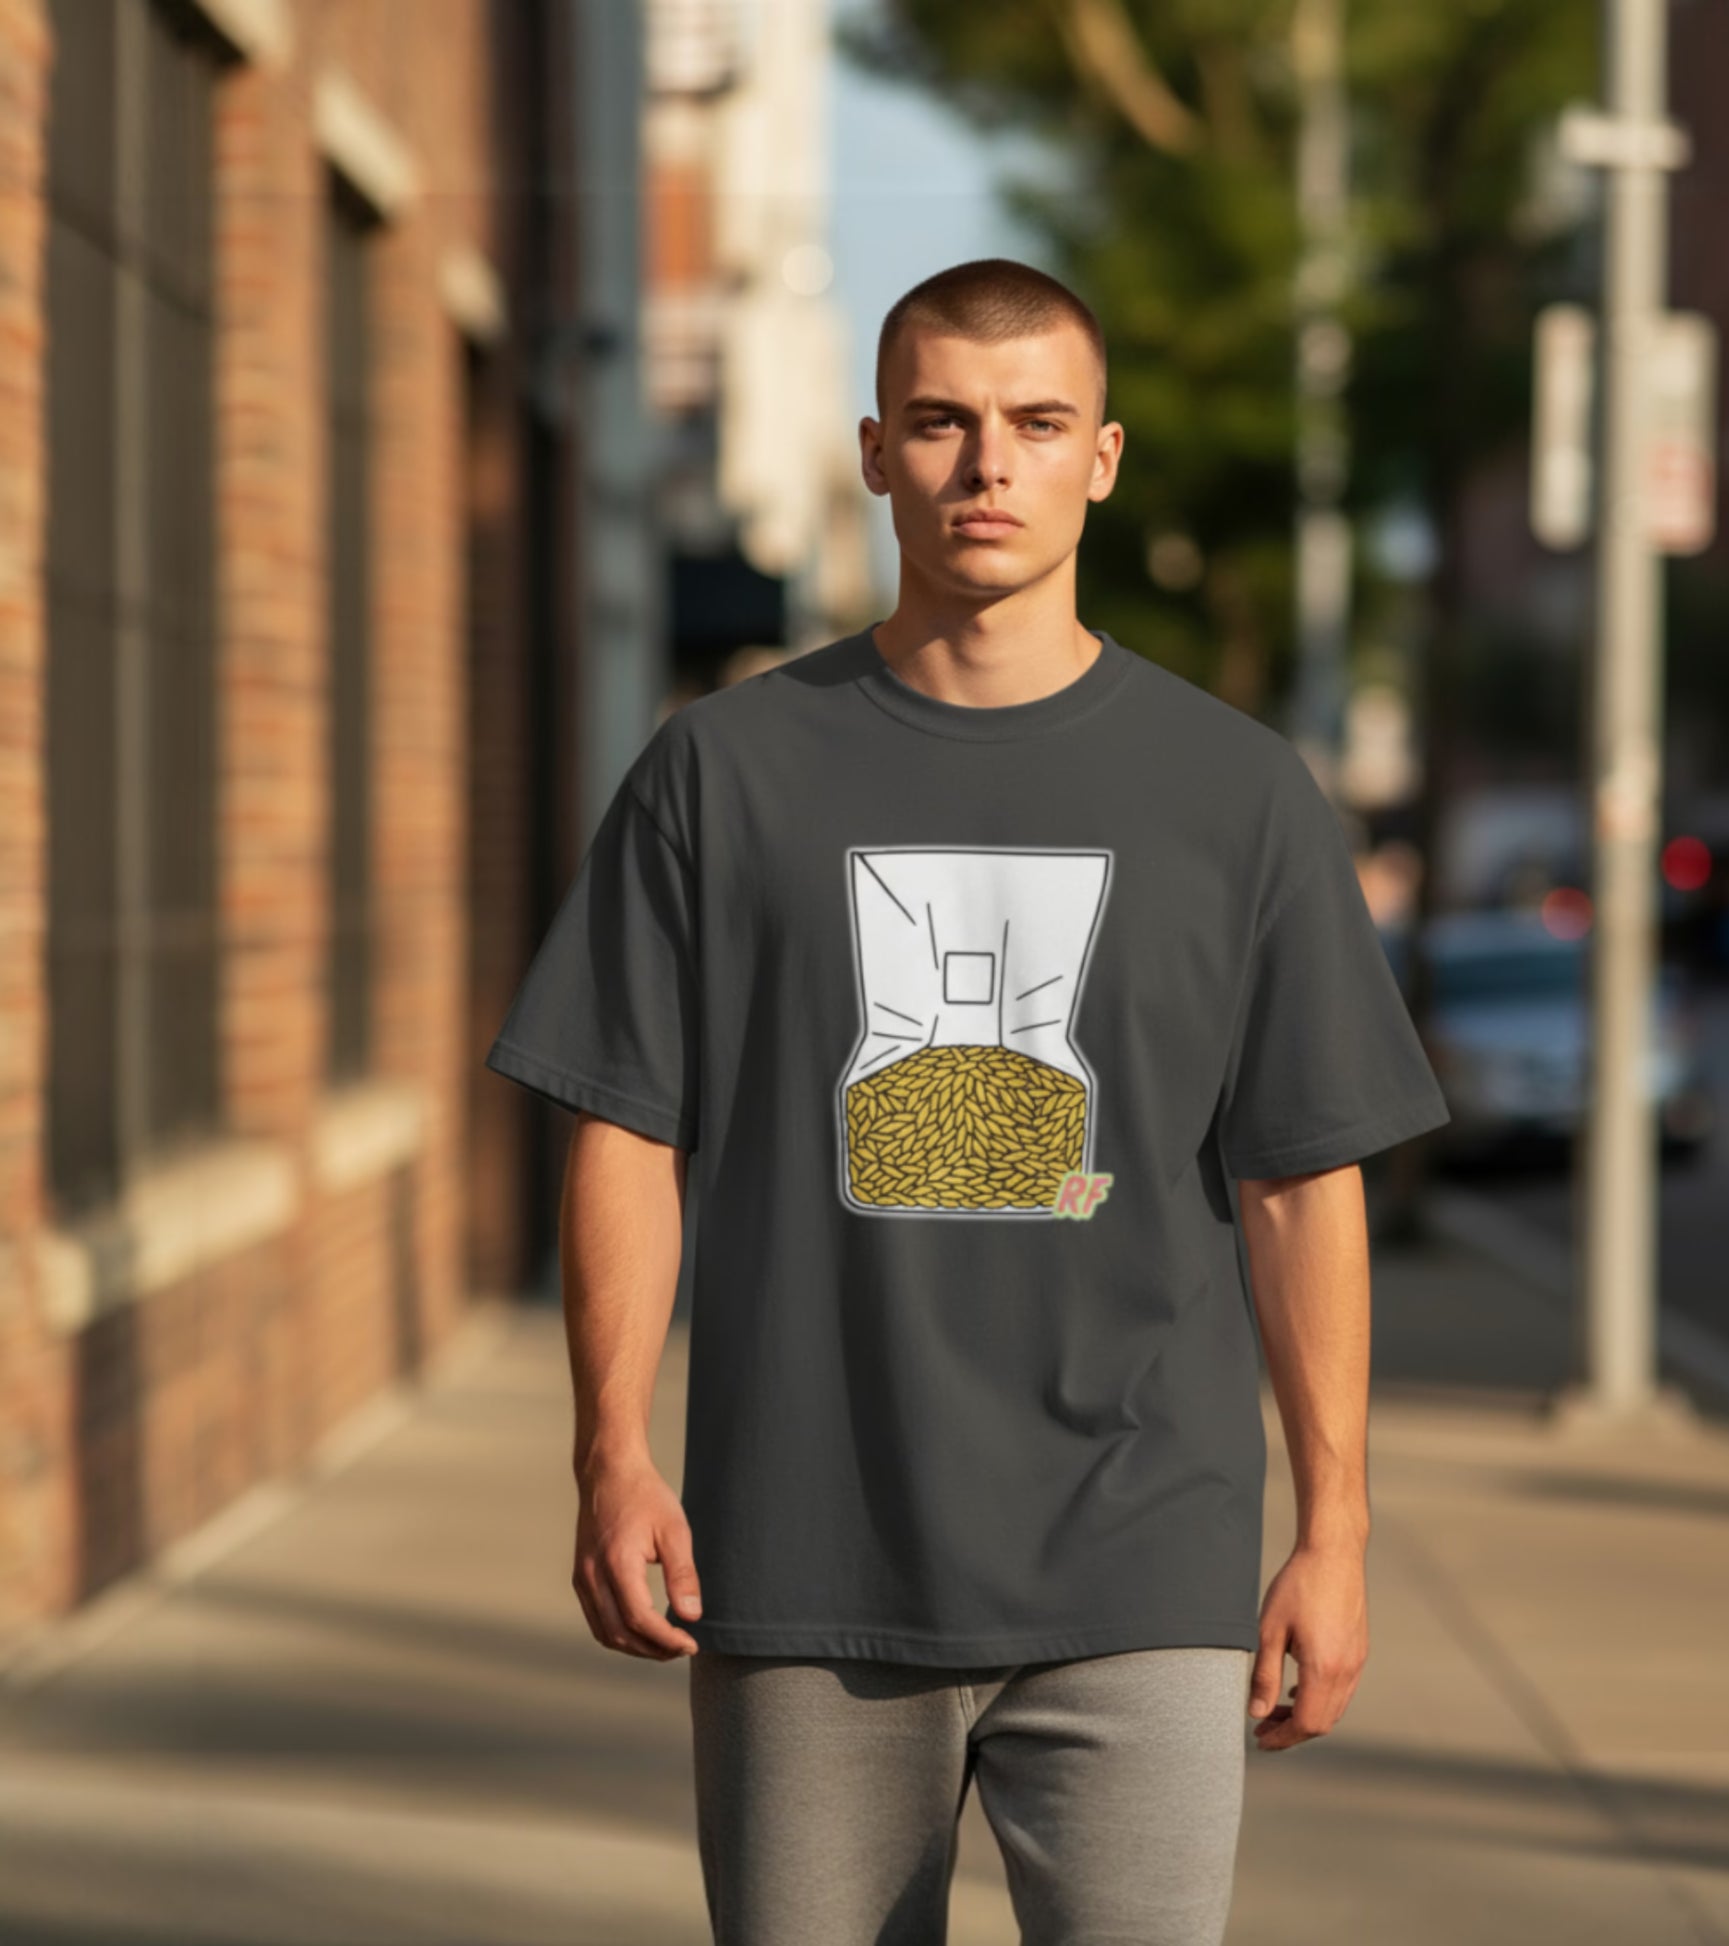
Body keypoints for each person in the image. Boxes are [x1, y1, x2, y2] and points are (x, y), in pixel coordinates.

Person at [484, 259, 1451, 1946]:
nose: (985, 464)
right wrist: (612, 1450)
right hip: (801, 1556)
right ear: (873, 450)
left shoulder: (1236, 798)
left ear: (1103, 458)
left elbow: (1303, 1184)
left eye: (1034, 422)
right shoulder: (721, 773)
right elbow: (628, 1126)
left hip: (1142, 1559)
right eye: (939, 420)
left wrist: (1337, 1526)